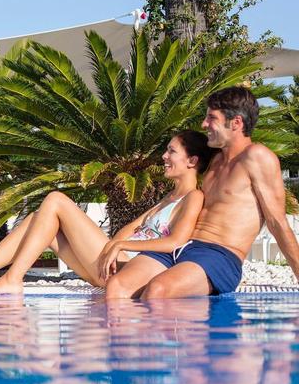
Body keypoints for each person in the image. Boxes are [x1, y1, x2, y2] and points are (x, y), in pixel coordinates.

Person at [0, 130, 214, 296]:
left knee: (55, 199)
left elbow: (176, 241)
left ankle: (13, 278)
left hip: (131, 270)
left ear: (192, 161)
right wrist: (117, 243)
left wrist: (121, 244)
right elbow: (121, 235)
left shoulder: (193, 197)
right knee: (36, 220)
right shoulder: (167, 198)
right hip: (112, 262)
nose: (164, 157)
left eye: (171, 152)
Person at [109, 86, 299, 299]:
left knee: (157, 291)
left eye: (211, 118)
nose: (204, 124)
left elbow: (277, 222)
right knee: (116, 288)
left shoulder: (256, 156)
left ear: (236, 122)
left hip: (219, 256)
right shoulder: (214, 160)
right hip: (181, 246)